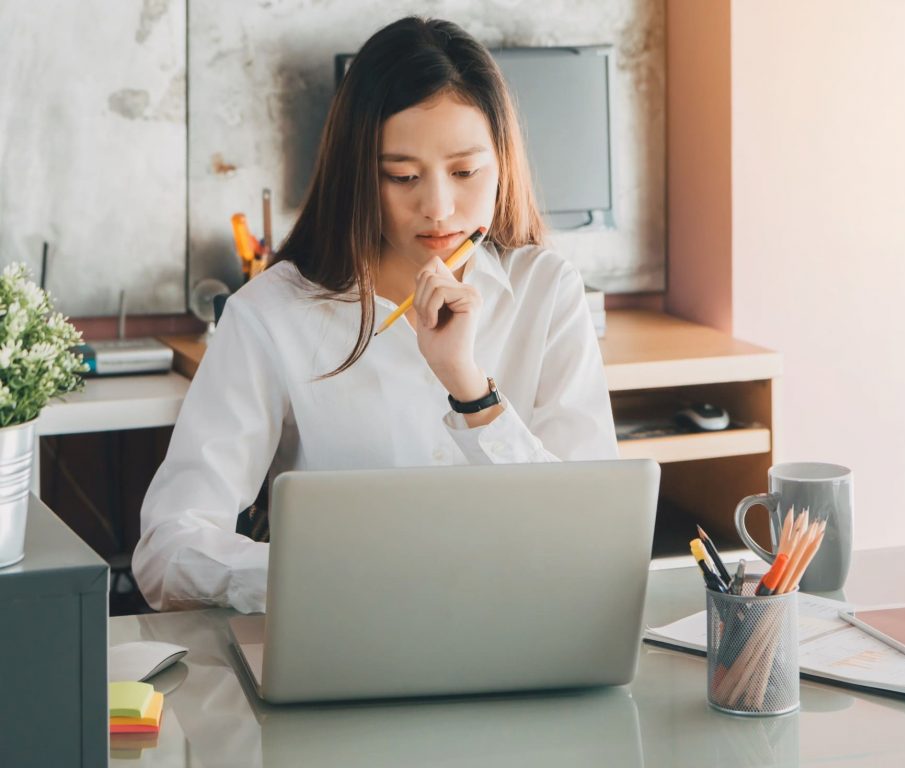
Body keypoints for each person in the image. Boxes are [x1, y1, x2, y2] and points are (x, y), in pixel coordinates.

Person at [133, 16, 618, 613]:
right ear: (357, 174)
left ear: (502, 166)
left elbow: (593, 536)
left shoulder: (547, 289)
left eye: (466, 172)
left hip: (519, 635)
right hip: (344, 643)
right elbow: (167, 550)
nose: (438, 207)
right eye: (402, 176)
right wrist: (322, 581)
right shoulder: (272, 313)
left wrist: (471, 391)